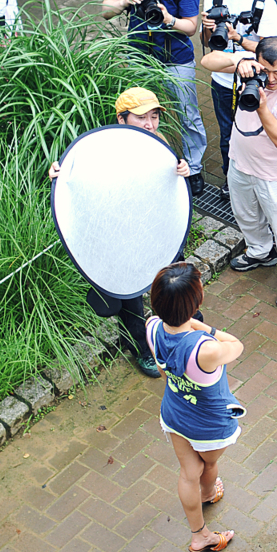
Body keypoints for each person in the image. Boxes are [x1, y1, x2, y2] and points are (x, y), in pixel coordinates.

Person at [49, 88, 191, 378]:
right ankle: (140, 347)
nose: (150, 124)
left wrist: (183, 170)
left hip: (156, 228)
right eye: (142, 118)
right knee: (129, 298)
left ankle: (179, 330)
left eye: (154, 117)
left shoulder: (158, 143)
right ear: (122, 119)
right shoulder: (100, 149)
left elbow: (170, 180)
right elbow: (74, 179)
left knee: (171, 282)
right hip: (120, 236)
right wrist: (57, 175)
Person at [201, 37, 277, 310]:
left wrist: (262, 106)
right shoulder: (252, 68)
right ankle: (260, 251)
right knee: (245, 215)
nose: (271, 79)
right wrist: (238, 62)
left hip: (276, 173)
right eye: (266, 71)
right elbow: (206, 61)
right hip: (240, 161)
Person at [145, 262, 245, 552]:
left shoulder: (151, 327)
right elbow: (237, 345)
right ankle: (209, 493)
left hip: (174, 415)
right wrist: (202, 326)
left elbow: (164, 373)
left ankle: (199, 535)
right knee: (208, 467)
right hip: (210, 426)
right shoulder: (206, 348)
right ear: (196, 301)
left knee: (189, 472)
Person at [102, 0, 208, 196]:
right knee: (138, 114)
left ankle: (193, 168)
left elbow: (191, 28)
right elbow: (105, 11)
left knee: (187, 113)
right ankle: (143, 161)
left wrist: (168, 19)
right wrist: (126, 1)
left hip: (176, 58)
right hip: (139, 55)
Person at [200, 0, 277, 200]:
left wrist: (240, 38)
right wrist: (207, 28)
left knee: (255, 134)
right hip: (222, 80)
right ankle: (231, 179)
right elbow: (207, 44)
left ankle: (257, 181)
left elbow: (271, 49)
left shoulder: (263, 2)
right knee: (227, 134)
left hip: (253, 81)